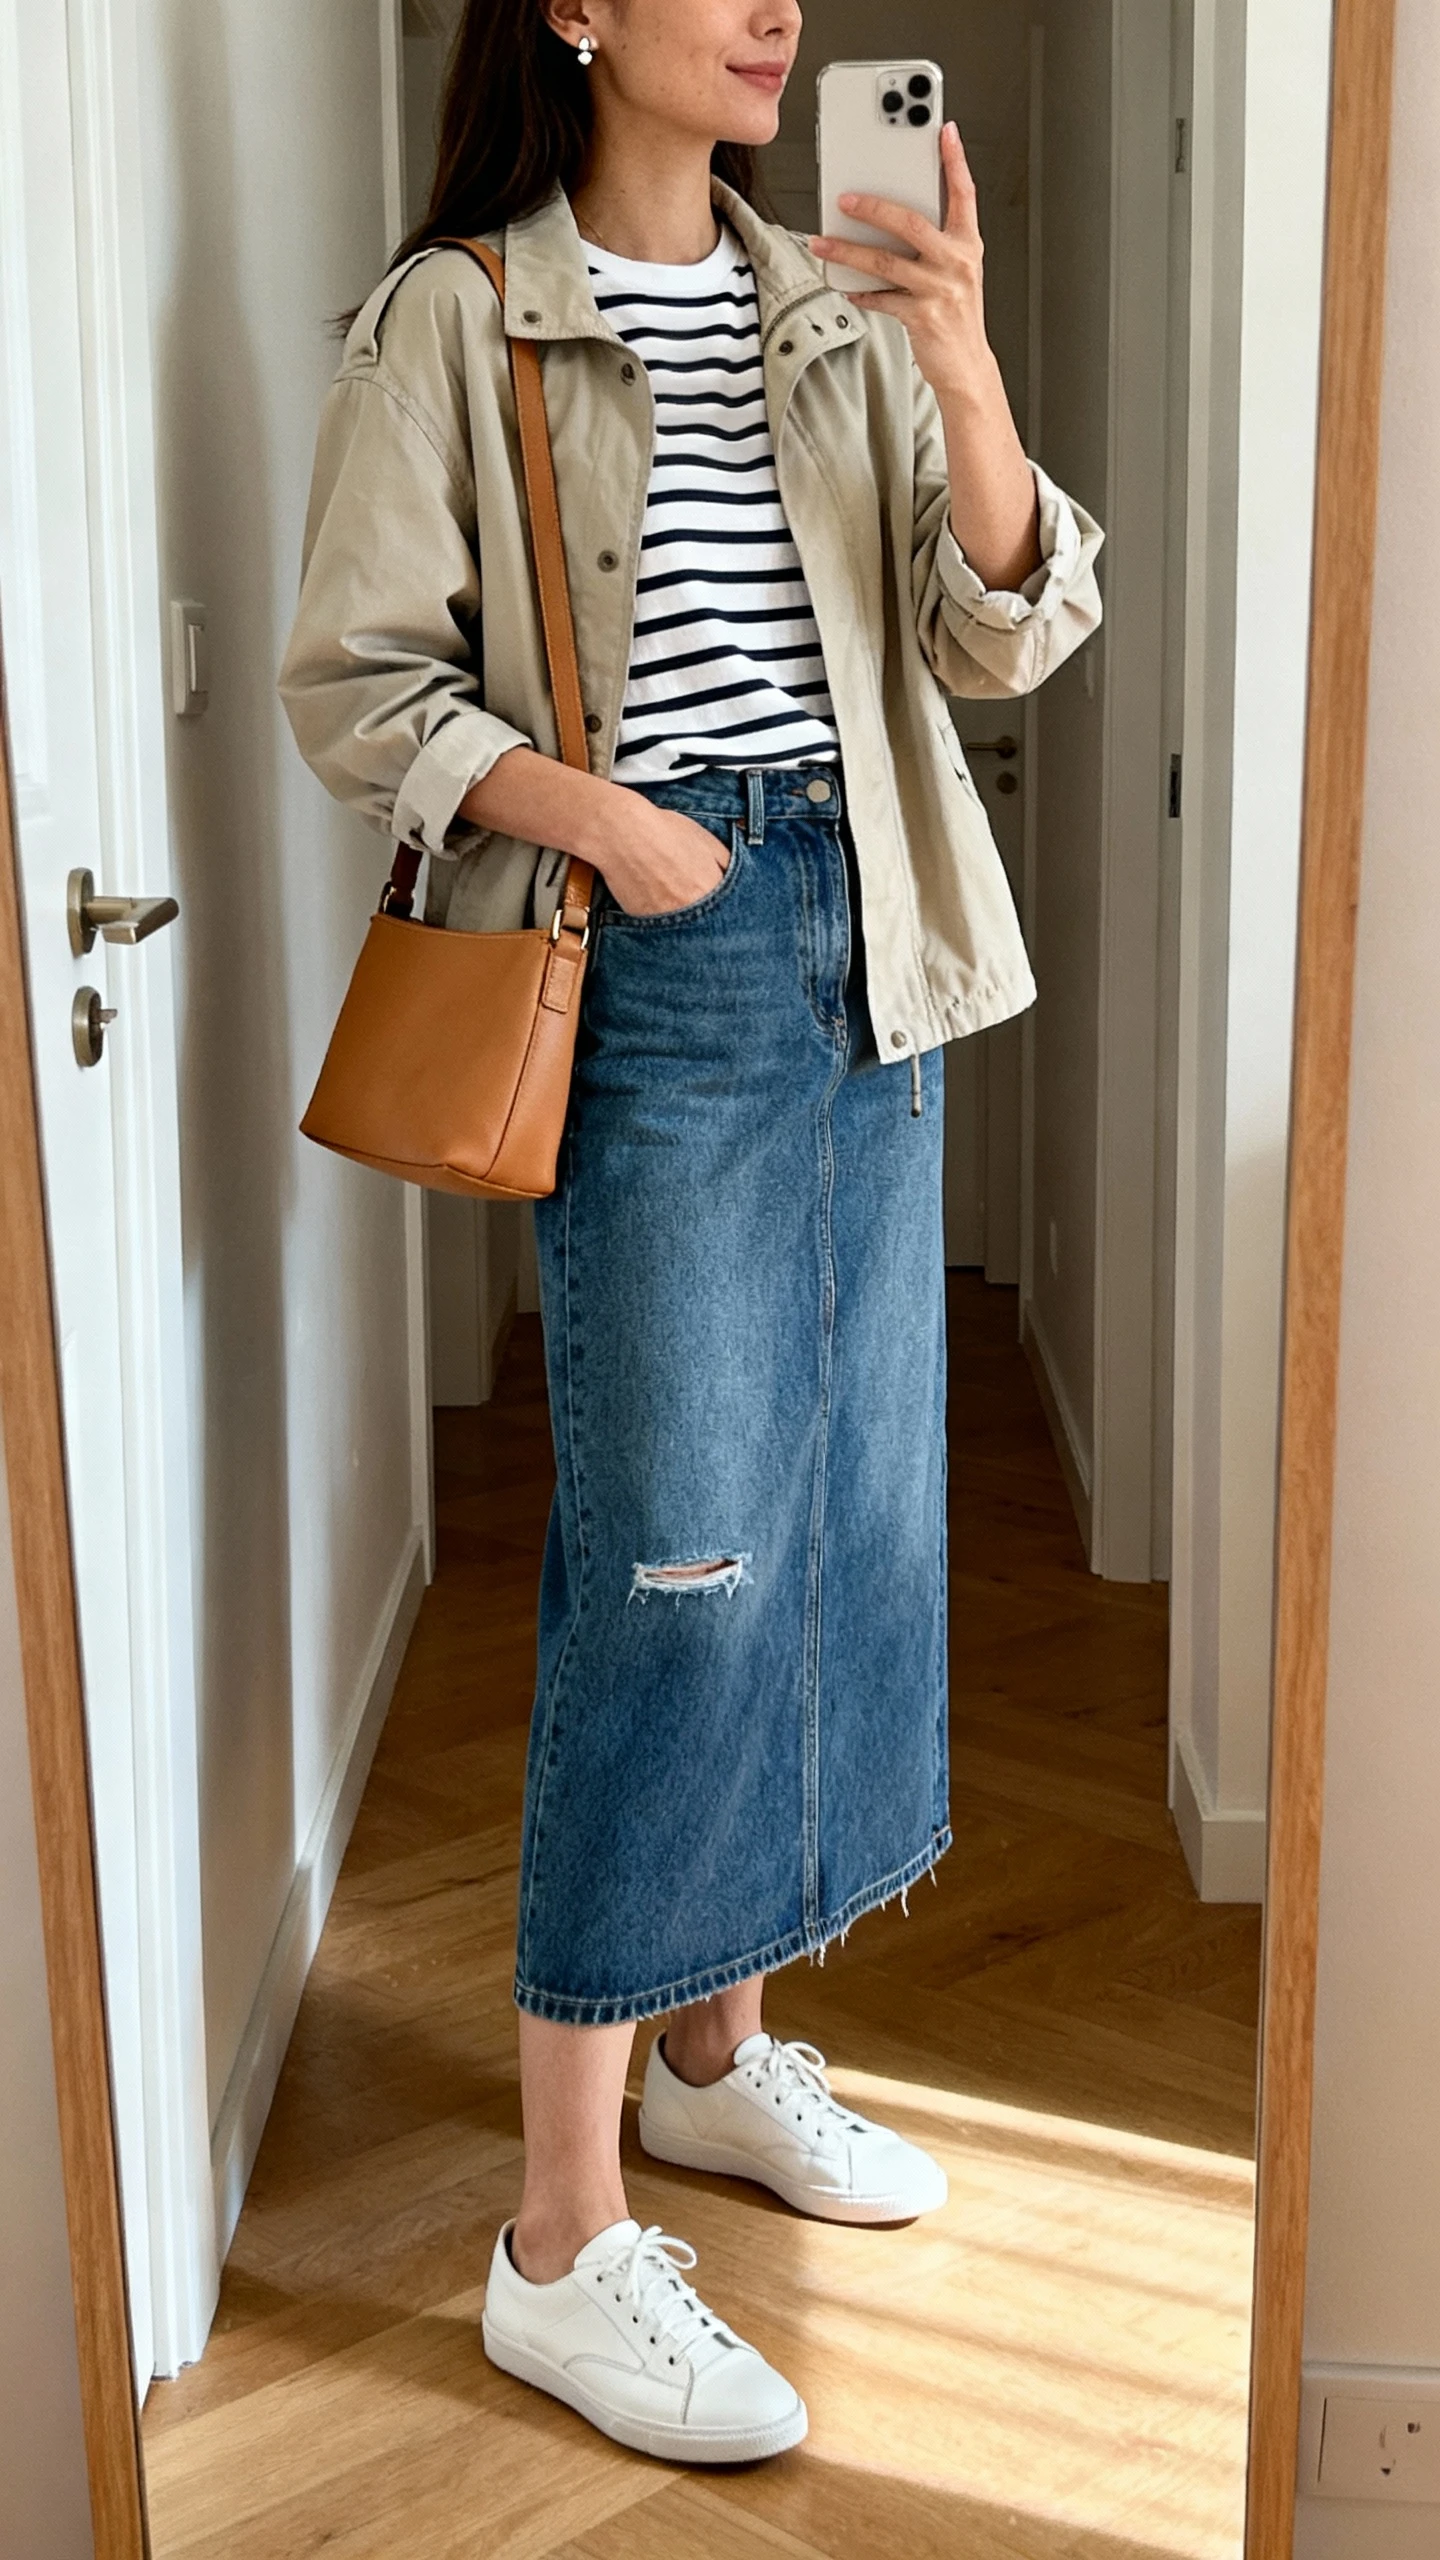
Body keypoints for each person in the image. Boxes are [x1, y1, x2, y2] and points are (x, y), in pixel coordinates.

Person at [280, 0, 1102, 2468]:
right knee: (681, 1562)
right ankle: (553, 2235)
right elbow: (354, 682)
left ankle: (720, 2052)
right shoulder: (464, 308)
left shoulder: (827, 303)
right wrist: (613, 823)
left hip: (882, 944)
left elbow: (999, 631)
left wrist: (964, 373)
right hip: (659, 947)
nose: (774, 11)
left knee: (844, 1522)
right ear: (574, 13)